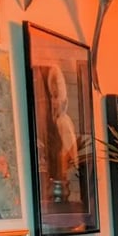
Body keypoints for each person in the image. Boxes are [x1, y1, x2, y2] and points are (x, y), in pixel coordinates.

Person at [45, 65, 79, 197]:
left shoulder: (63, 122)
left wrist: (63, 173)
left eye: (56, 97)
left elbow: (68, 154)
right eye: (52, 97)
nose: (54, 102)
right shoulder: (57, 120)